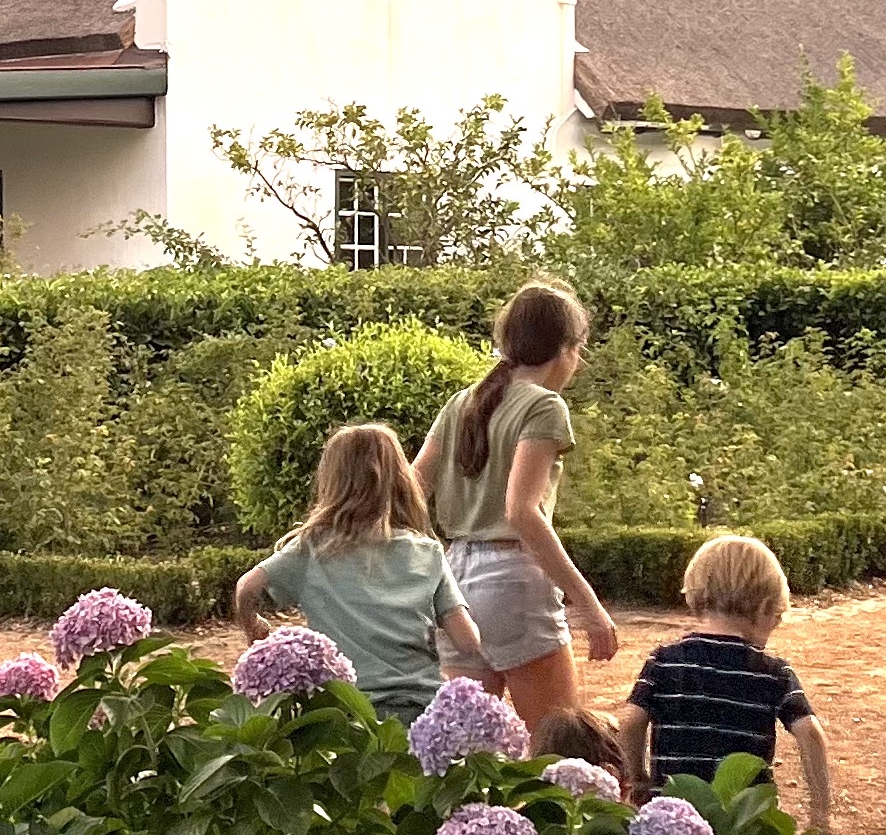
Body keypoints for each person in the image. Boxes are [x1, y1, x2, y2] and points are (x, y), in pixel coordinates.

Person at [414, 276, 616, 733]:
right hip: (513, 584)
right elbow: (521, 513)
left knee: (465, 751)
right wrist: (588, 605)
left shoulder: (462, 403)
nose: (578, 363)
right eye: (579, 349)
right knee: (559, 743)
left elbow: (409, 488)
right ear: (563, 348)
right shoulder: (545, 406)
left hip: (454, 582)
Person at [233, 421, 487, 725]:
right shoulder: (427, 552)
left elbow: (246, 588)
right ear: (401, 480)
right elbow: (468, 642)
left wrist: (254, 629)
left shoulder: (313, 549)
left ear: (331, 481)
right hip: (418, 710)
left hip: (343, 712)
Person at [619, 532, 832, 835]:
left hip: (673, 815)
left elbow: (630, 723)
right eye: (777, 617)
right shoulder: (773, 672)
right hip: (745, 821)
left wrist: (637, 779)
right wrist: (821, 814)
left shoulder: (664, 662)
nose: (775, 626)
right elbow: (810, 733)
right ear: (763, 607)